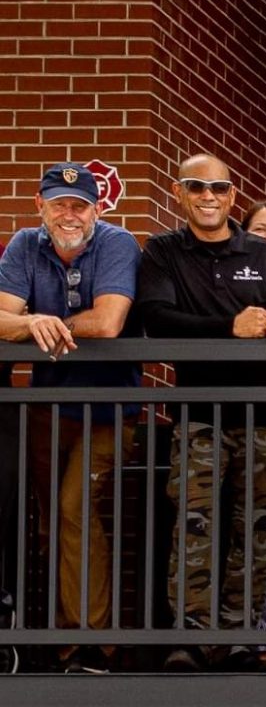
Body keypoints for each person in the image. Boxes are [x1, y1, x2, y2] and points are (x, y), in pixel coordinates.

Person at [128, 151, 266, 635]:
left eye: (217, 189)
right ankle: (191, 635)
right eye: (195, 187)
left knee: (258, 530)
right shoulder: (163, 251)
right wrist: (230, 327)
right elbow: (156, 318)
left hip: (264, 418)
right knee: (195, 527)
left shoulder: (263, 254)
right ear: (179, 193)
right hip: (198, 414)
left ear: (232, 196)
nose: (207, 197)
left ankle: (239, 634)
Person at [0, 162, 141, 641]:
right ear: (40, 204)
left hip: (109, 408)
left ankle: (87, 643)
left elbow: (107, 323)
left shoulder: (117, 243)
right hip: (47, 406)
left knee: (73, 509)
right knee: (49, 520)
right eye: (59, 203)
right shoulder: (24, 244)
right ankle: (53, 642)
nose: (69, 214)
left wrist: (42, 323)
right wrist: (30, 323)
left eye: (79, 205)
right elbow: (1, 316)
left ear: (96, 210)